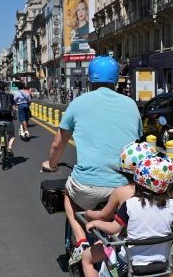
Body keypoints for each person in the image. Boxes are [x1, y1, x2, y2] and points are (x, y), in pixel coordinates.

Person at [42, 56, 143, 266]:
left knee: (68, 196)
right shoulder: (131, 105)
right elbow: (137, 141)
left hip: (87, 186)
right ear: (116, 80)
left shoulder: (78, 103)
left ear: (90, 80)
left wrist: (51, 165)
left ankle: (80, 242)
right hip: (124, 187)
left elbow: (57, 145)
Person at [82, 153, 173, 277]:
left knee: (108, 270)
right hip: (159, 263)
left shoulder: (131, 205)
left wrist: (96, 222)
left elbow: (114, 228)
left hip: (129, 263)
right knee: (165, 272)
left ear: (140, 179)